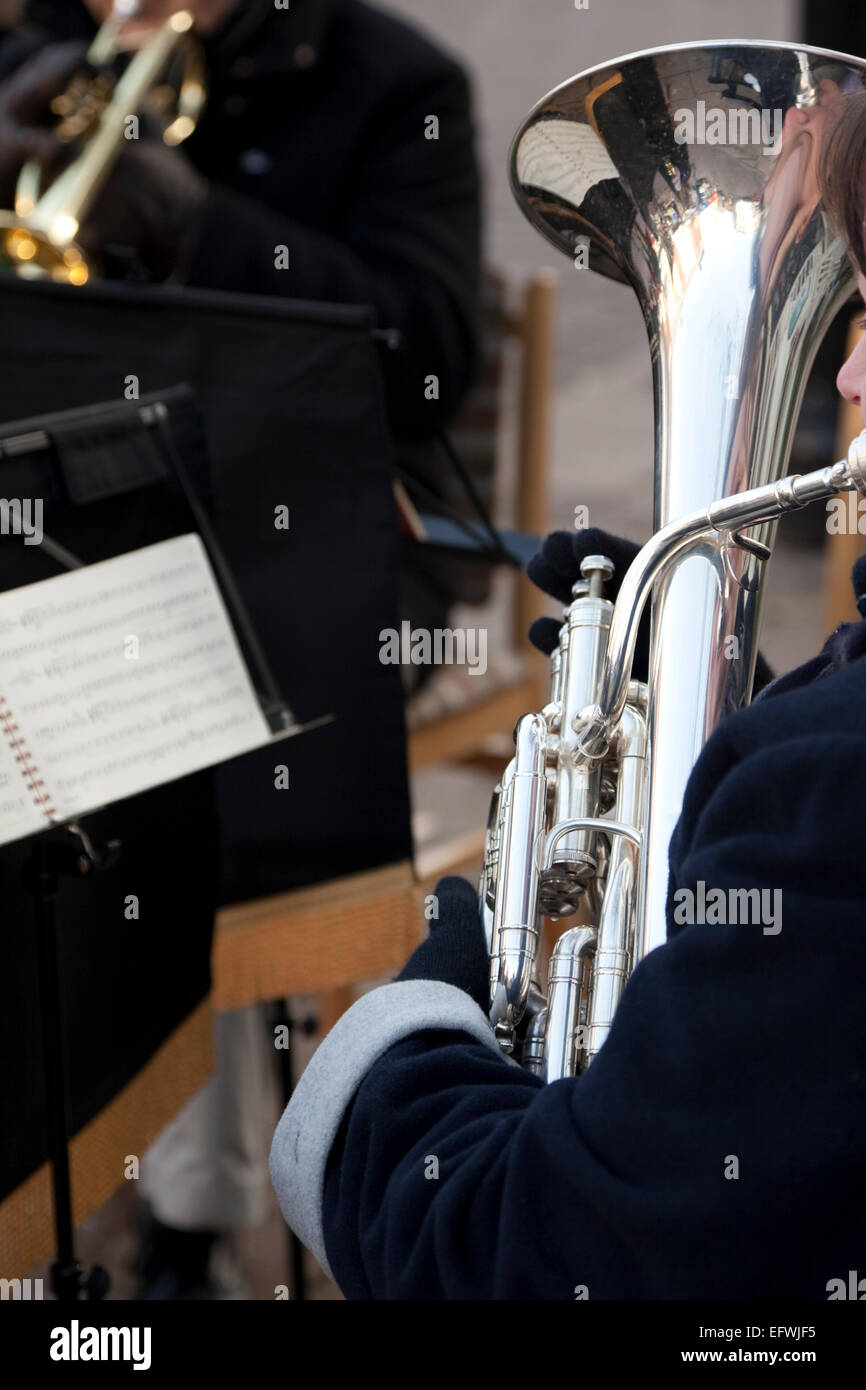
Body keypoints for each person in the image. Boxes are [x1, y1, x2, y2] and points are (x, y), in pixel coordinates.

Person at [269, 92, 866, 1299]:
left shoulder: (830, 789)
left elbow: (528, 1258)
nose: (849, 371)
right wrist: (711, 715)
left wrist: (409, 1040)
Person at [0, 0, 482, 1298]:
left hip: (307, 541)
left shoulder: (388, 78)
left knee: (179, 732)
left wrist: (197, 221)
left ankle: (193, 1212)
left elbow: (430, 359)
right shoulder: (38, 41)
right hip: (55, 516)